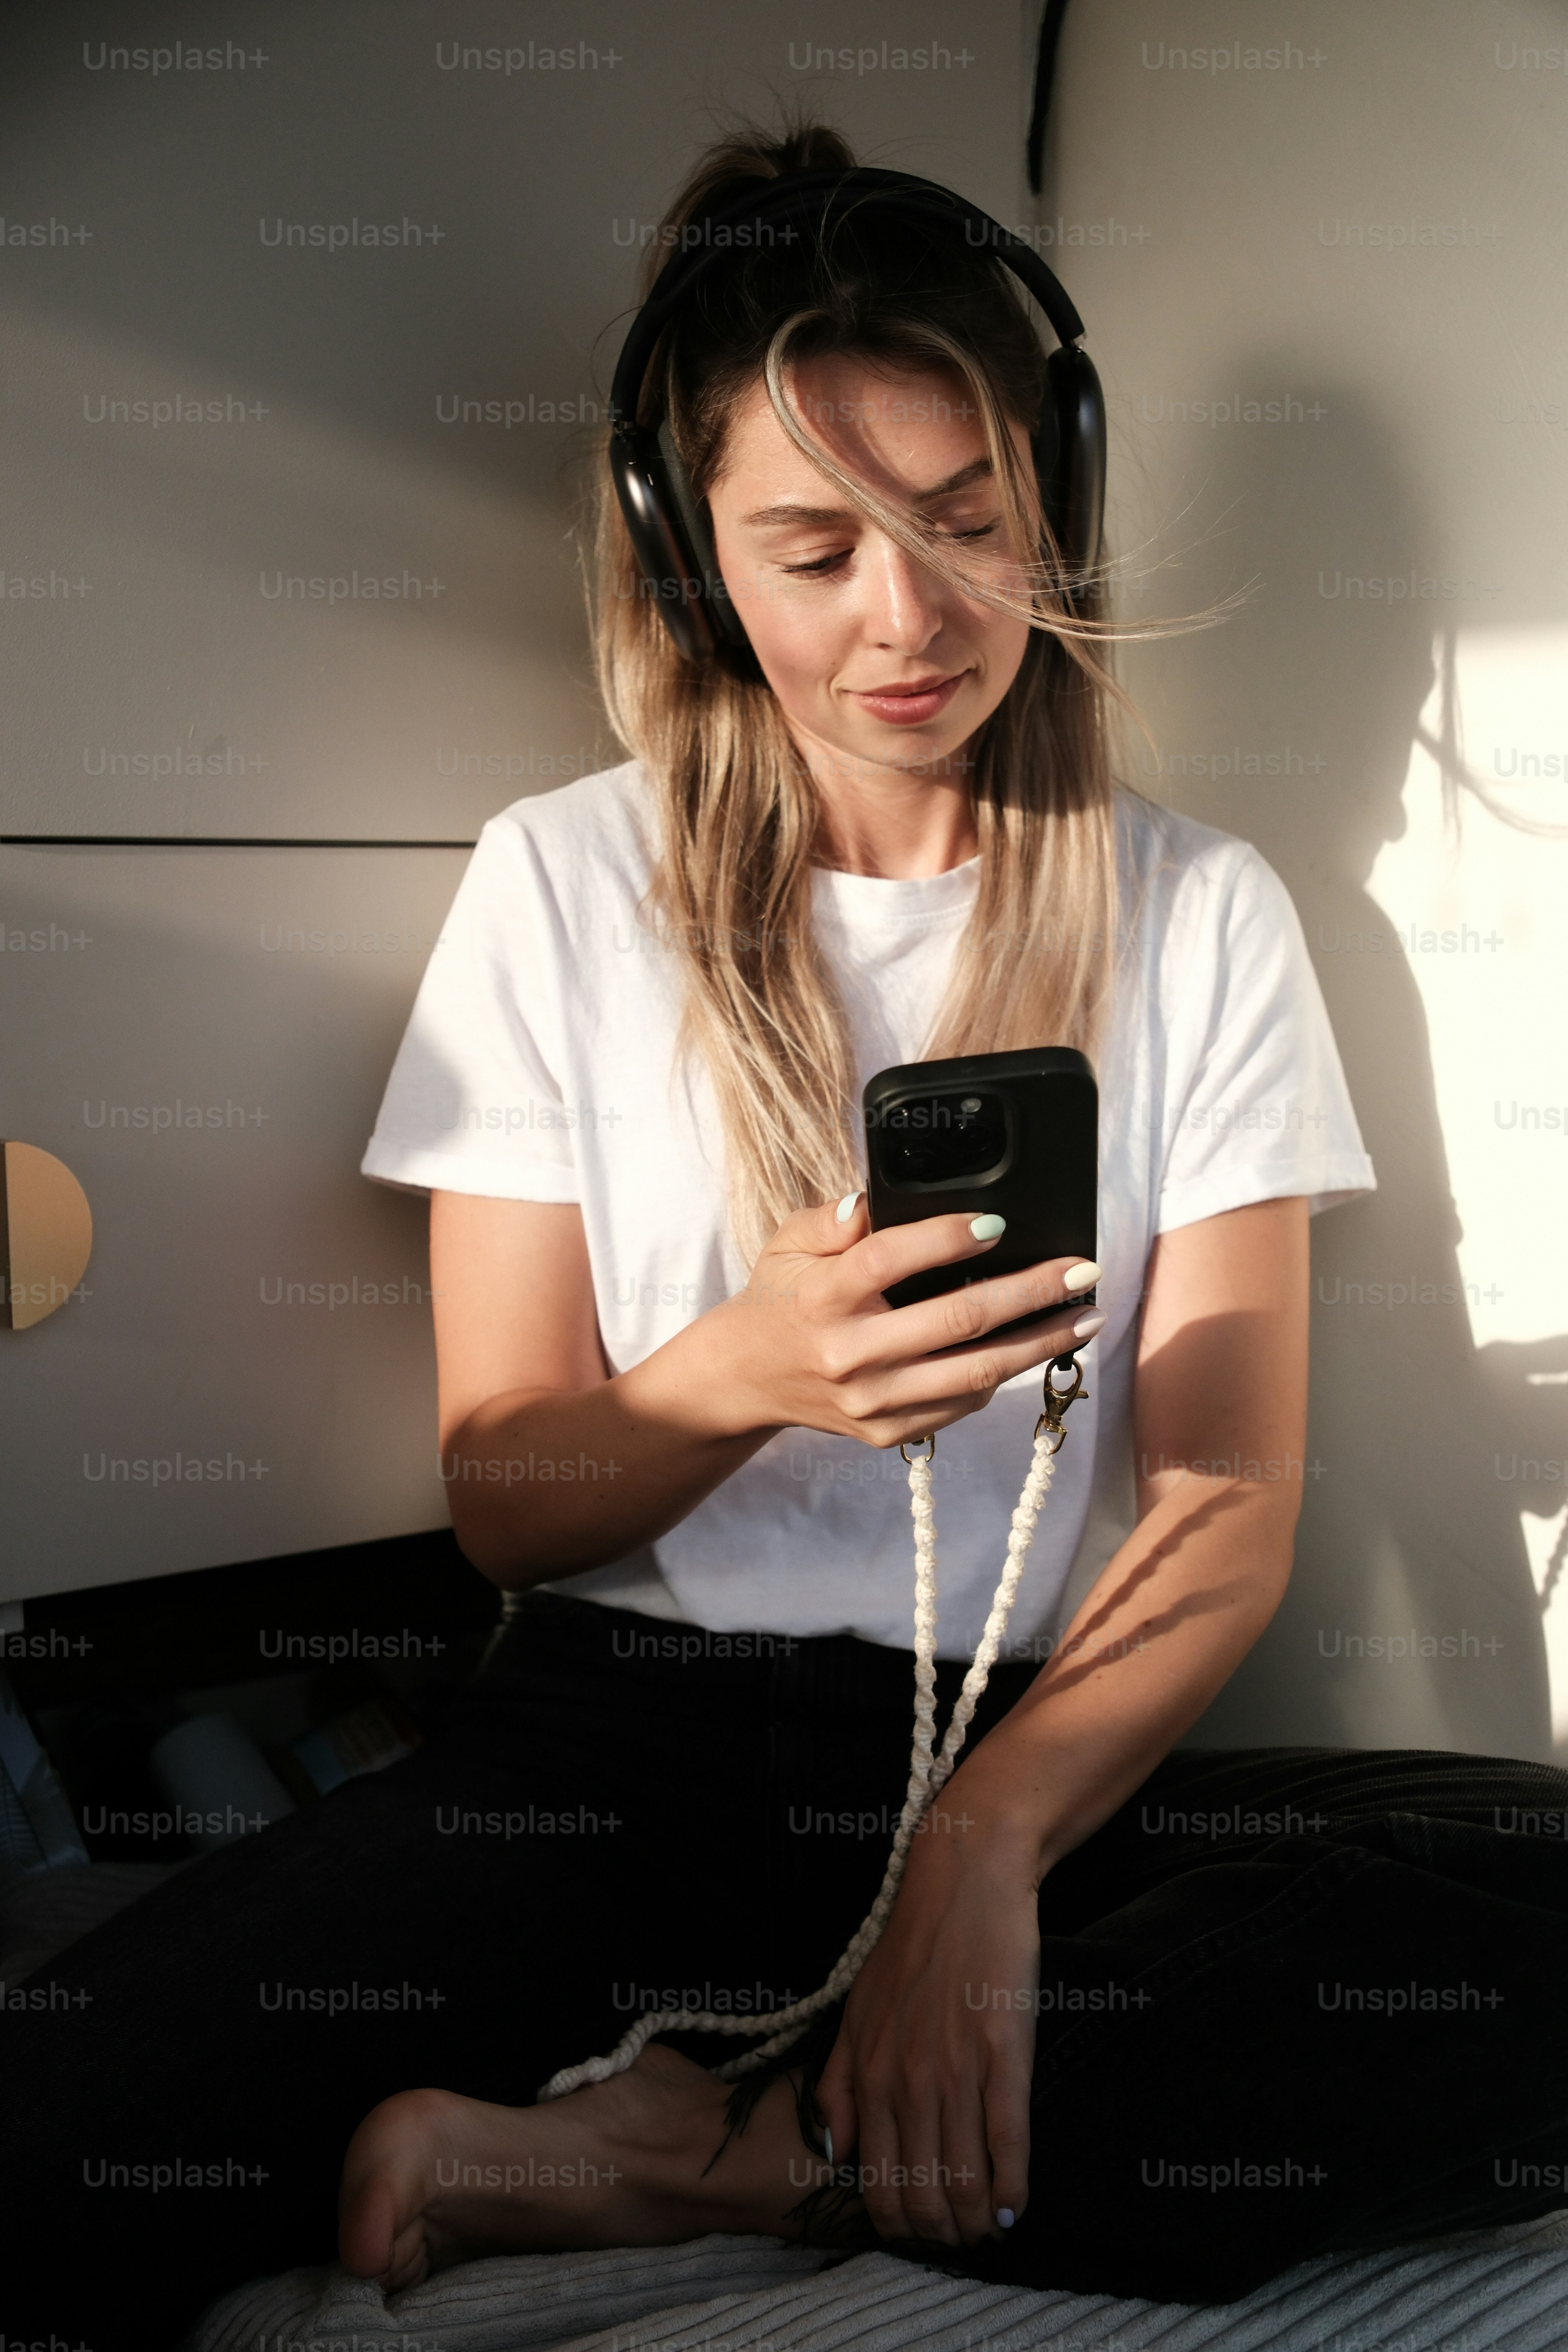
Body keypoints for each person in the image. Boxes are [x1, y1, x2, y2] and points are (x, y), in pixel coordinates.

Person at [6, 120, 1568, 2352]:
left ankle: (720, 2157)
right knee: (66, 2140)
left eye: (965, 523)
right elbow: (502, 1502)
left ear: (1057, 498)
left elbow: (1226, 1495)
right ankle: (810, 2121)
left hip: (1036, 1749)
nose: (912, 620)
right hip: (611, 1754)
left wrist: (984, 1853)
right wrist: (738, 1376)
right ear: (684, 549)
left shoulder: (1203, 911)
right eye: (814, 547)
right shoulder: (561, 883)